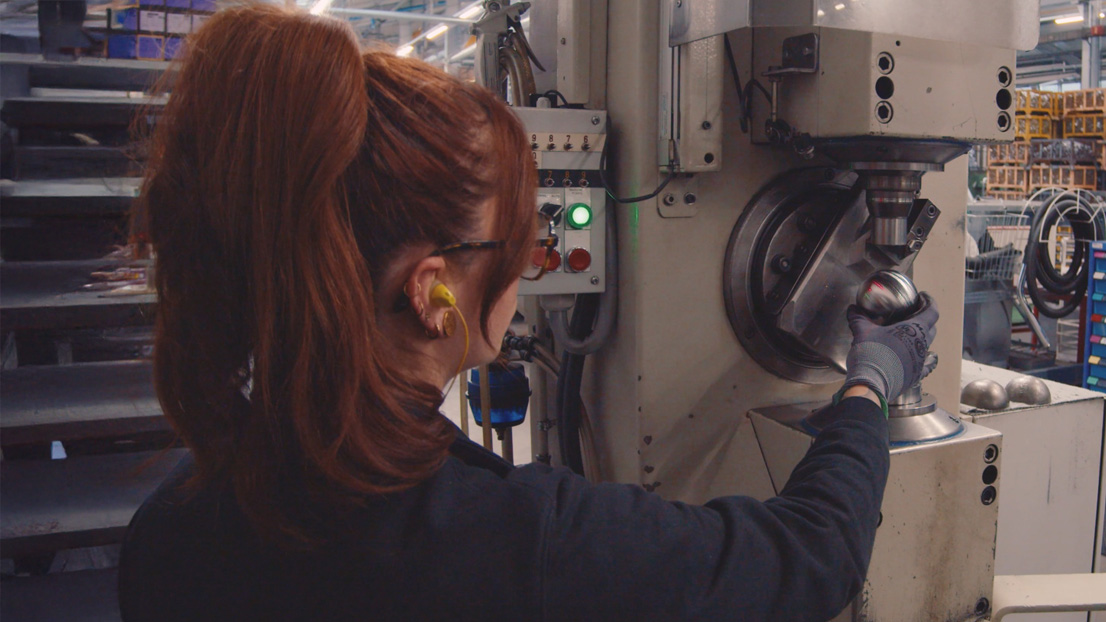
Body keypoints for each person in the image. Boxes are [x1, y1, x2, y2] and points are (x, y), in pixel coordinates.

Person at [118, 5, 939, 621]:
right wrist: (868, 387)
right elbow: (811, 557)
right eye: (514, 239)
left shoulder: (167, 533)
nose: (525, 262)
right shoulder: (516, 543)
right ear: (431, 291)